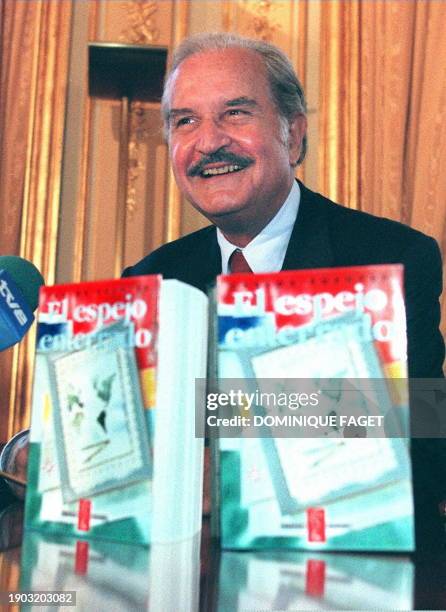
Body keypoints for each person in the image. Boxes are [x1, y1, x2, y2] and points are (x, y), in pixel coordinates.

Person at [122, 32, 445, 551]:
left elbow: (428, 434)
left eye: (235, 113)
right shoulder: (152, 280)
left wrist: (228, 475)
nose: (208, 142)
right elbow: (125, 434)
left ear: (293, 135)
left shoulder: (391, 257)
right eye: (186, 121)